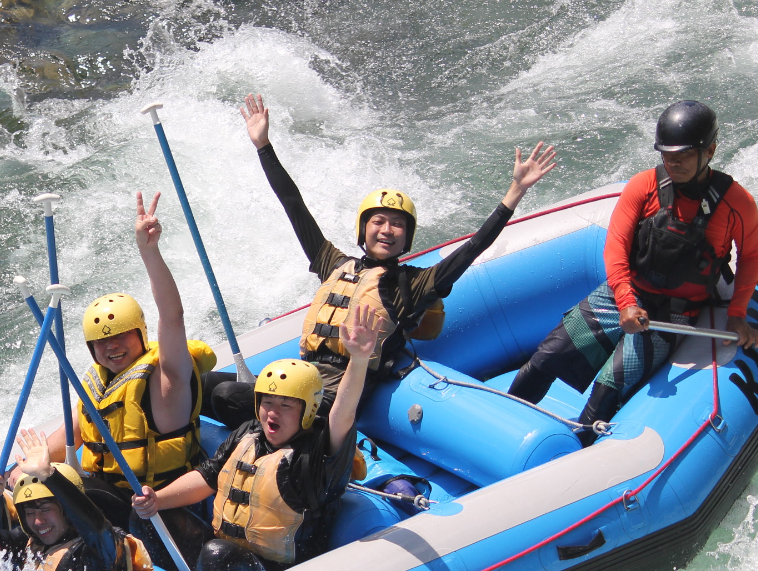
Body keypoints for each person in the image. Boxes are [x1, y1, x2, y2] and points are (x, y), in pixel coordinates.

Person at [204, 92, 557, 427]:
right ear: (364, 229)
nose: (387, 230)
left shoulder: (412, 285)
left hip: (334, 400)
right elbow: (293, 205)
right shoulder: (333, 263)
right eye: (379, 221)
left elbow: (473, 248)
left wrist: (514, 194)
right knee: (202, 384)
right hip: (303, 380)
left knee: (226, 395)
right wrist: (263, 146)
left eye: (398, 225)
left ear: (407, 236)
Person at [508, 100, 758, 433]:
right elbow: (615, 248)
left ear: (710, 150)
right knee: (545, 358)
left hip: (673, 314)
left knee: (609, 388)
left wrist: (738, 315)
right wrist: (627, 303)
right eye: (666, 154)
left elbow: (750, 256)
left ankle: (573, 452)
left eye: (684, 154)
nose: (673, 162)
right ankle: (503, 427)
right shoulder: (643, 186)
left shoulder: (736, 203)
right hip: (623, 294)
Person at [133, 303, 384, 571]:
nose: (272, 413)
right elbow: (208, 476)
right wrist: (157, 500)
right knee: (148, 516)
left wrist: (359, 359)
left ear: (308, 410)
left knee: (218, 554)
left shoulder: (317, 454)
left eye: (286, 405)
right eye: (267, 403)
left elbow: (342, 415)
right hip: (222, 554)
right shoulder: (248, 433)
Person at [45, 191, 216, 570]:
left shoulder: (164, 381)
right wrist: (16, 471)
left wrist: (148, 251)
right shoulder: (99, 389)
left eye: (121, 335)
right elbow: (59, 444)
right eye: (102, 341)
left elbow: (173, 317)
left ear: (141, 335)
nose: (112, 346)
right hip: (118, 508)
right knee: (52, 484)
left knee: (81, 493)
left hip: (167, 507)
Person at [0, 428, 153, 571]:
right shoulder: (30, 545)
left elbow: (97, 529)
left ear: (67, 510)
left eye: (46, 509)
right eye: (30, 513)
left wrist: (49, 475)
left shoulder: (95, 551)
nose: (38, 521)